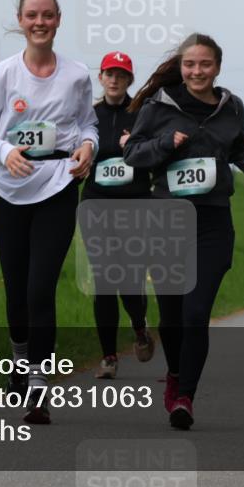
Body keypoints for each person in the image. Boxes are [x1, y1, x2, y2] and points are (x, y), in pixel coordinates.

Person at [0, 0, 98, 424]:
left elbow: (88, 126)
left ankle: (38, 387)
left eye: (48, 15)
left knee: (40, 288)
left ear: (58, 21)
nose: (40, 22)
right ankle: (19, 361)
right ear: (20, 23)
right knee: (17, 290)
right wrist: (6, 152)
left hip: (58, 187)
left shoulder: (77, 75)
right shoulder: (3, 75)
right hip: (8, 191)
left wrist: (87, 150)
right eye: (32, 16)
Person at [124, 33, 244, 430]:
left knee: (196, 312)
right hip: (167, 220)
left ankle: (184, 395)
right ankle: (174, 375)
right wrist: (166, 143)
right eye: (190, 64)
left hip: (213, 221)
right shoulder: (158, 106)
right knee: (171, 319)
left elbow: (238, 145)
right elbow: (134, 153)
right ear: (181, 67)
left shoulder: (231, 106)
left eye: (205, 65)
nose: (197, 71)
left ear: (217, 67)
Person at [80, 50, 155, 380]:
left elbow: (157, 155)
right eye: (109, 74)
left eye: (121, 75)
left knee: (129, 279)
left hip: (134, 205)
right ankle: (108, 356)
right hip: (96, 205)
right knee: (104, 281)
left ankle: (140, 328)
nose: (114, 79)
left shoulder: (142, 115)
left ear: (129, 81)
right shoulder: (89, 115)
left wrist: (134, 147)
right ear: (101, 78)